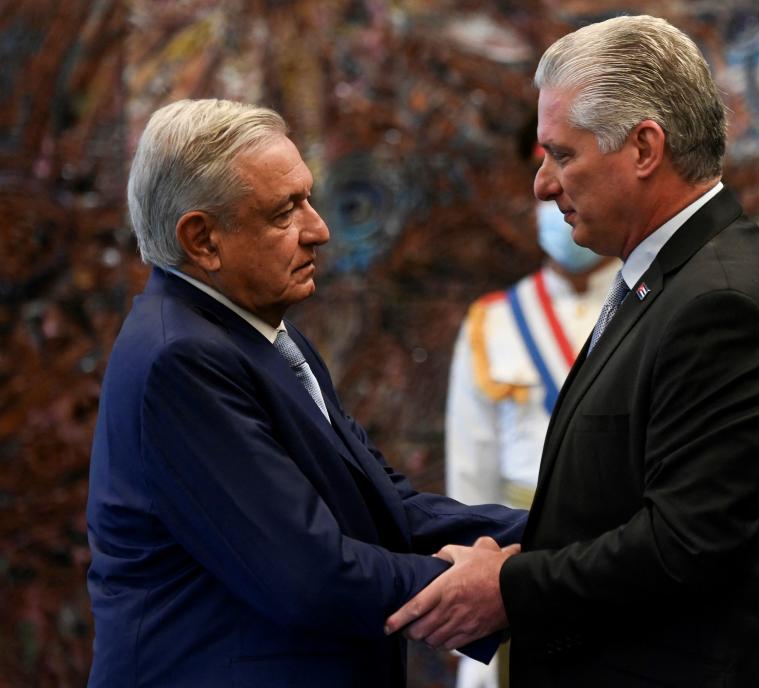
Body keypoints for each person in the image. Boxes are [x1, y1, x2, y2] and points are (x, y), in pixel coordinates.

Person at [386, 14, 759, 686]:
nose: (542, 185)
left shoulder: (719, 300)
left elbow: (685, 543)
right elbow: (615, 500)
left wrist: (510, 585)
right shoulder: (673, 274)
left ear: (643, 148)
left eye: (562, 155)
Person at [85, 98, 526, 688]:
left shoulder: (255, 335)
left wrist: (563, 535)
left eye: (308, 199)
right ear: (202, 239)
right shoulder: (181, 360)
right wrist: (487, 587)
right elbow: (308, 576)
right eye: (283, 213)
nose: (318, 230)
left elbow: (383, 507)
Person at [445, 119, 616, 688]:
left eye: (569, 168)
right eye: (541, 173)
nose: (553, 193)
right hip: (523, 573)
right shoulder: (493, 322)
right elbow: (469, 485)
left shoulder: (657, 302)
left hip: (629, 567)